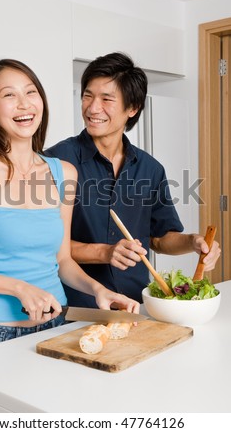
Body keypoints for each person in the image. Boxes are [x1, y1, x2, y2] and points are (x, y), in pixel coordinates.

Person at [0, 58, 140, 352]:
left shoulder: (64, 173)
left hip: (55, 326)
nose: (24, 104)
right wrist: (18, 288)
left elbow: (63, 261)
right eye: (9, 95)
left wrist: (99, 291)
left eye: (31, 92)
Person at [46, 52, 221, 307]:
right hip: (73, 309)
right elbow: (43, 243)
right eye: (87, 96)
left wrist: (193, 242)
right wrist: (106, 252)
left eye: (106, 99)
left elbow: (159, 238)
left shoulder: (151, 169)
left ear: (133, 108)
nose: (93, 108)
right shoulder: (56, 161)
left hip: (134, 306)